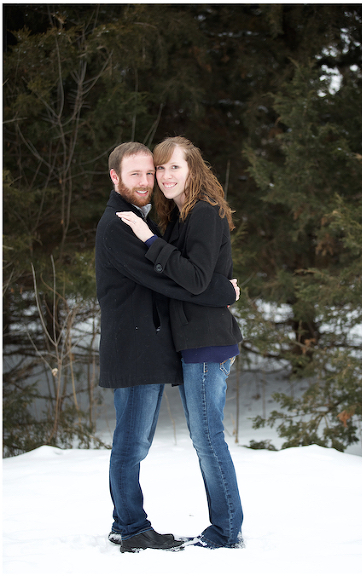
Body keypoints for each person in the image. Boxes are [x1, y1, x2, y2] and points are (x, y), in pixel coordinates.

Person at [96, 142, 240, 553]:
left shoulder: (176, 217)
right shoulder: (121, 225)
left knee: (160, 440)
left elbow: (182, 272)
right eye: (139, 173)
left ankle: (130, 523)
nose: (149, 180)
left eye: (153, 171)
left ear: (190, 168)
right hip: (136, 349)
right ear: (115, 177)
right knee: (133, 442)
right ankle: (132, 526)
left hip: (167, 345)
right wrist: (221, 291)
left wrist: (210, 286)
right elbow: (172, 280)